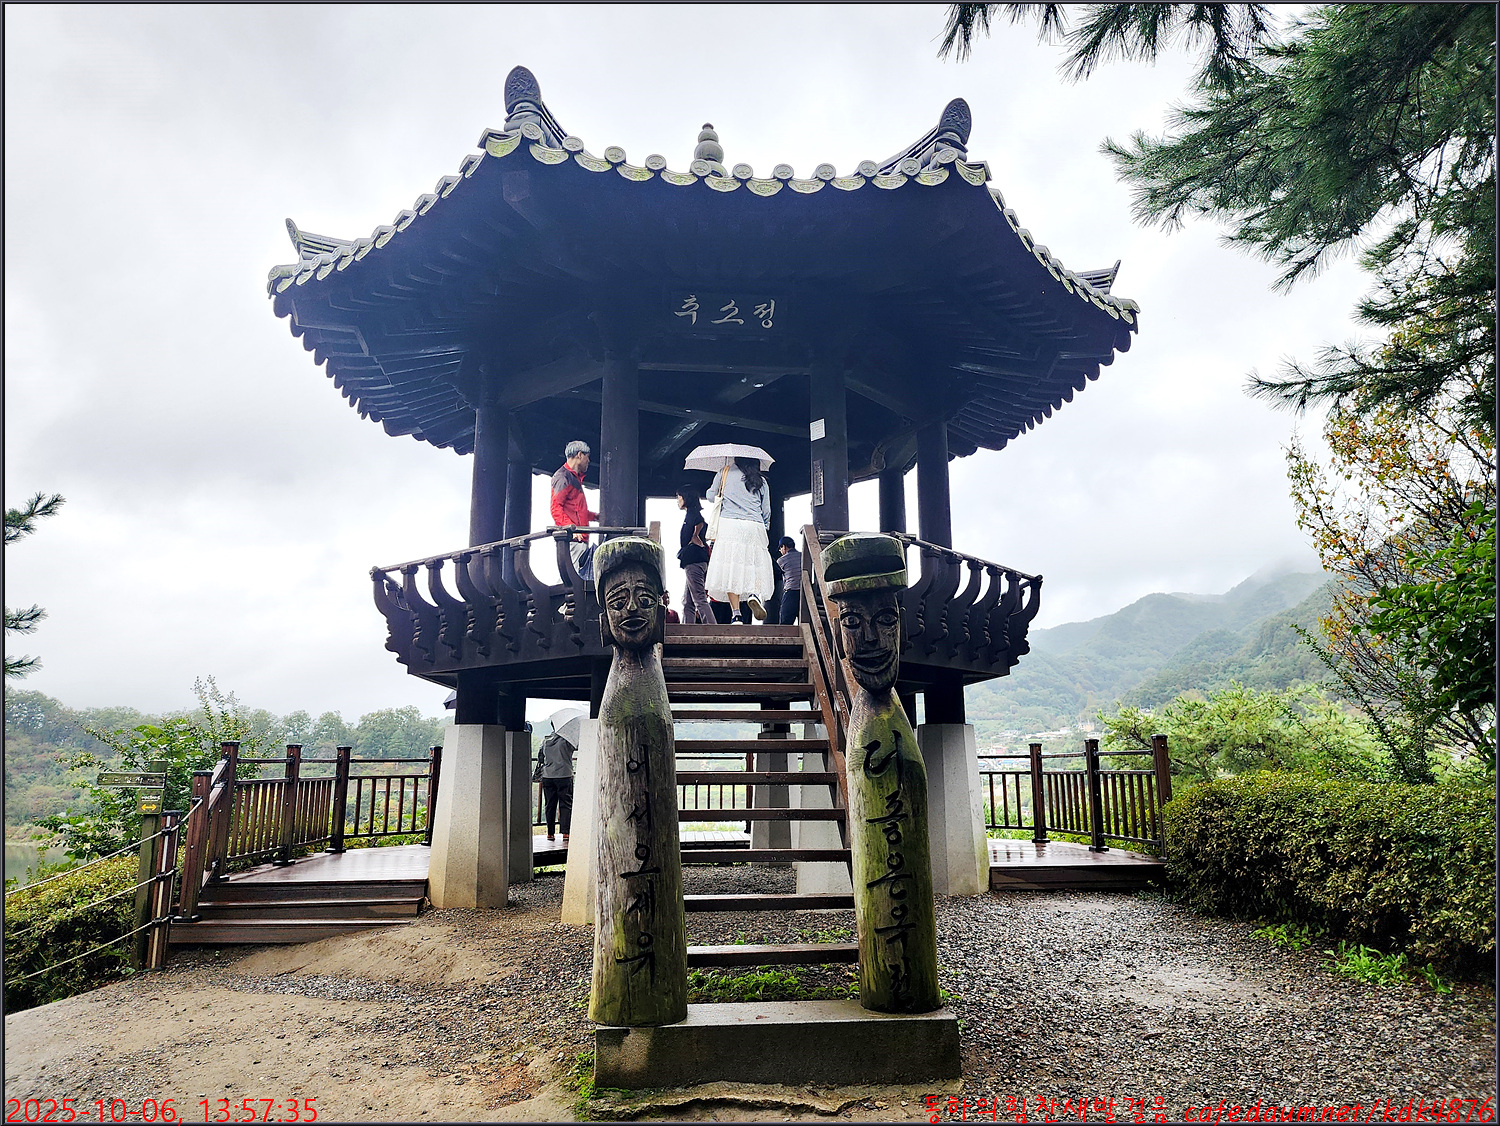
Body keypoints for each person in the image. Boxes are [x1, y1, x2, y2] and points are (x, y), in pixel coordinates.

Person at [703, 456, 774, 623]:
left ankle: (736, 614)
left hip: (729, 526)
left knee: (730, 569)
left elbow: (711, 496)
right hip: (754, 525)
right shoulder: (761, 480)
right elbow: (766, 510)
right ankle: (753, 593)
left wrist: (723, 488)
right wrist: (764, 526)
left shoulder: (725, 472)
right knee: (754, 565)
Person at [550, 440, 598, 580]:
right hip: (572, 539)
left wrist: (595, 516)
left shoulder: (572, 478)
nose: (588, 461)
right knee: (570, 580)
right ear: (580, 455)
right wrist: (571, 529)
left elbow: (577, 510)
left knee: (575, 577)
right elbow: (555, 508)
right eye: (587, 456)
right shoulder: (563, 477)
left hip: (578, 539)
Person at [675, 483, 714, 624]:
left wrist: (695, 540)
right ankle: (687, 627)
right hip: (696, 561)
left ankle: (712, 628)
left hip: (694, 562)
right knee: (688, 601)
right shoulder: (693, 515)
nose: (678, 500)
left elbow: (695, 536)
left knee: (699, 599)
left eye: (679, 497)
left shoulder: (694, 516)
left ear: (686, 498)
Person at [532, 725, 576, 842]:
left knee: (550, 805)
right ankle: (565, 832)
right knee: (565, 804)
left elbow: (541, 758)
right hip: (564, 775)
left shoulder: (546, 740)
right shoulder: (567, 740)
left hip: (548, 776)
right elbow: (575, 747)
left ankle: (550, 833)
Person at [776, 535, 802, 625]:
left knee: (785, 624)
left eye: (780, 548)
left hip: (791, 593)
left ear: (784, 547)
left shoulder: (781, 560)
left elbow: (776, 575)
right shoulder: (803, 556)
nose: (780, 551)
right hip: (805, 593)